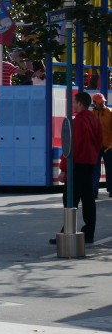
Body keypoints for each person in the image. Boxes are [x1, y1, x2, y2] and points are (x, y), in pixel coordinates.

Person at [49, 92, 102, 245]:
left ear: (79, 103)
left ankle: (68, 231)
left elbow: (70, 147)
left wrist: (64, 168)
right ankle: (88, 232)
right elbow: (99, 141)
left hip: (77, 164)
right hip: (89, 163)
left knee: (69, 199)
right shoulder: (94, 119)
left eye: (74, 102)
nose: (72, 104)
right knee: (88, 199)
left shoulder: (78, 122)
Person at [91, 93, 112, 198]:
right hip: (95, 146)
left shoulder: (110, 112)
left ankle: (111, 190)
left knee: (111, 169)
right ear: (94, 103)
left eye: (103, 102)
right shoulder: (91, 114)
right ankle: (94, 191)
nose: (102, 104)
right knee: (95, 170)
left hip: (109, 146)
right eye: (100, 102)